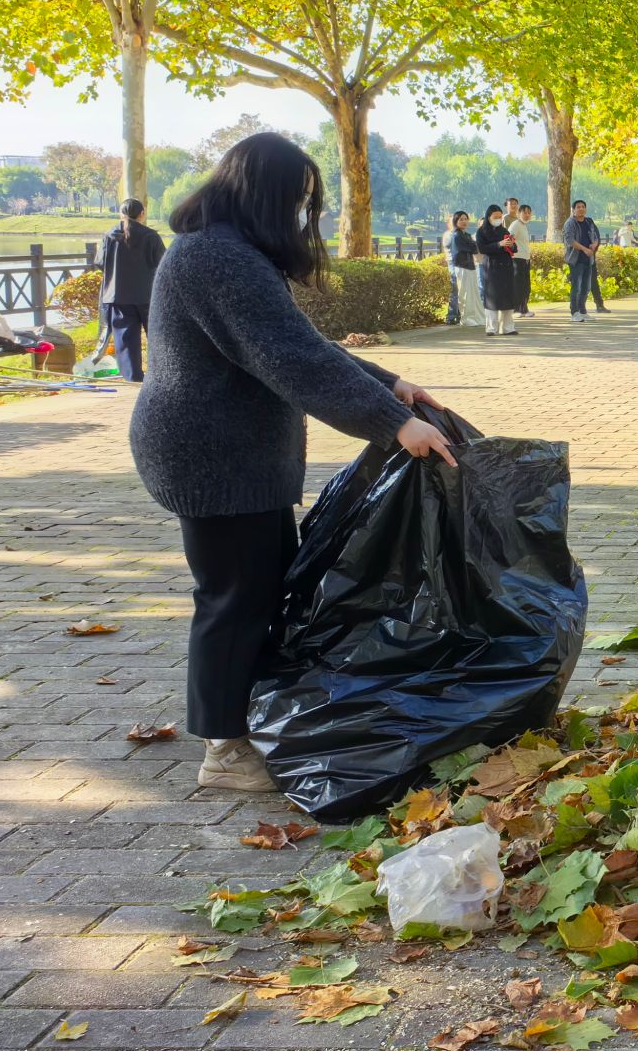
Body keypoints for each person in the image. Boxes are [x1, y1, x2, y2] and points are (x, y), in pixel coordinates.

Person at [128, 132, 457, 792]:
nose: (302, 215)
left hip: (233, 454)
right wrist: (393, 424)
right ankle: (223, 750)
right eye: (297, 200)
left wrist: (388, 384)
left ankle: (244, 721)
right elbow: (290, 360)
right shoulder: (217, 257)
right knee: (234, 596)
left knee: (260, 585)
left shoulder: (226, 248)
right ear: (263, 194)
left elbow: (299, 342)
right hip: (210, 457)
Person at [96, 198, 166, 382]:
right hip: (148, 295)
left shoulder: (109, 236)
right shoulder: (151, 236)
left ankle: (133, 378)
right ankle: (162, 376)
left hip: (118, 296)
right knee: (158, 336)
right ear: (142, 214)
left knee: (125, 340)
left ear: (121, 214)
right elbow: (163, 264)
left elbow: (100, 263)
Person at [474, 205, 518, 336]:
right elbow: (482, 249)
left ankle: (508, 328)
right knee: (492, 298)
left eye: (500, 216)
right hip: (492, 268)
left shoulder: (504, 230)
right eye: (495, 217)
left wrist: (511, 244)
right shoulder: (481, 232)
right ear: (489, 217)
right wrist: (499, 244)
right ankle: (491, 328)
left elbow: (514, 248)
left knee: (507, 297)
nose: (498, 219)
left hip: (506, 267)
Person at [562, 199, 600, 321]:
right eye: (578, 207)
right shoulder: (570, 223)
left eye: (583, 206)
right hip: (576, 259)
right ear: (573, 210)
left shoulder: (588, 222)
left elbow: (595, 236)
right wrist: (584, 249)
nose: (581, 209)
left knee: (586, 287)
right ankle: (574, 312)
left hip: (588, 259)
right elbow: (570, 240)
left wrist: (594, 244)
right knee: (576, 287)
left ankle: (582, 311)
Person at [446, 211, 481, 327]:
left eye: (466, 219)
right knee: (464, 294)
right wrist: (473, 246)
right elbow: (471, 248)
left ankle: (475, 316)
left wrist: (473, 246)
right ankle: (466, 318)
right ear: (456, 221)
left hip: (470, 266)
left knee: (473, 293)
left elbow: (475, 248)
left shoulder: (466, 235)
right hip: (462, 267)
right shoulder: (457, 235)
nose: (464, 221)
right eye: (461, 219)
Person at [505, 198, 534, 319]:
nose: (527, 215)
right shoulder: (515, 225)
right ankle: (515, 309)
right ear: (519, 213)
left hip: (525, 259)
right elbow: (508, 240)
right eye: (524, 212)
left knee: (525, 286)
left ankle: (524, 308)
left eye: (529, 213)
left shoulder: (524, 226)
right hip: (517, 259)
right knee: (517, 285)